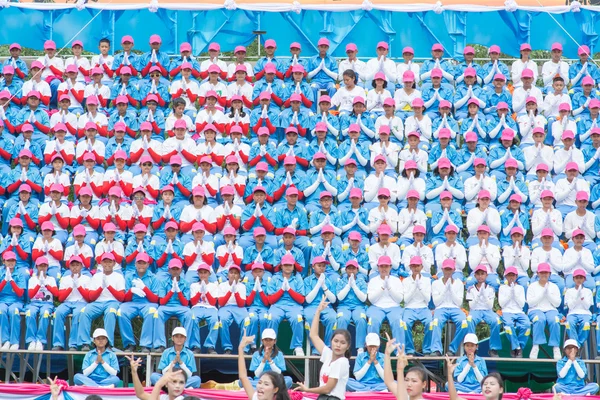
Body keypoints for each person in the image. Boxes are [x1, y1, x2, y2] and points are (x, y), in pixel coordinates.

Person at [293, 296, 351, 399]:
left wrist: (307, 390)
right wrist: (318, 311)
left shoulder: (342, 362)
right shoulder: (328, 354)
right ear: (331, 342)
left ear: (348, 346)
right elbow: (313, 335)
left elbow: (327, 389)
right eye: (336, 341)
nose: (338, 345)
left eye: (342, 343)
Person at [238, 330, 292, 400]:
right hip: (257, 380)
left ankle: (258, 387)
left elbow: (279, 373)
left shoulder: (279, 354)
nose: (268, 342)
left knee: (288, 380)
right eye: (266, 340)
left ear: (274, 341)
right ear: (262, 341)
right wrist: (263, 360)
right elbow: (256, 375)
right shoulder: (256, 354)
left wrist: (269, 360)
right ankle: (262, 385)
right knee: (244, 381)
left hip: (274, 381)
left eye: (270, 340)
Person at [498, 266, 530, 358]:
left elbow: (521, 304)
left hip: (519, 311)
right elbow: (502, 304)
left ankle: (518, 347)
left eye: (513, 275)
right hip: (507, 311)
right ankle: (516, 347)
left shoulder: (520, 288)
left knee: (527, 325)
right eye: (509, 275)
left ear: (516, 276)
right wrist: (509, 294)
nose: (511, 277)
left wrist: (514, 293)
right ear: (506, 277)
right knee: (508, 325)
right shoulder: (502, 288)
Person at [383, 335, 427, 400]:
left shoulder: (403, 397)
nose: (409, 384)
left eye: (414, 381)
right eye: (406, 380)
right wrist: (387, 354)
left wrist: (400, 370)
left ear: (424, 384)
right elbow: (389, 381)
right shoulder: (405, 396)